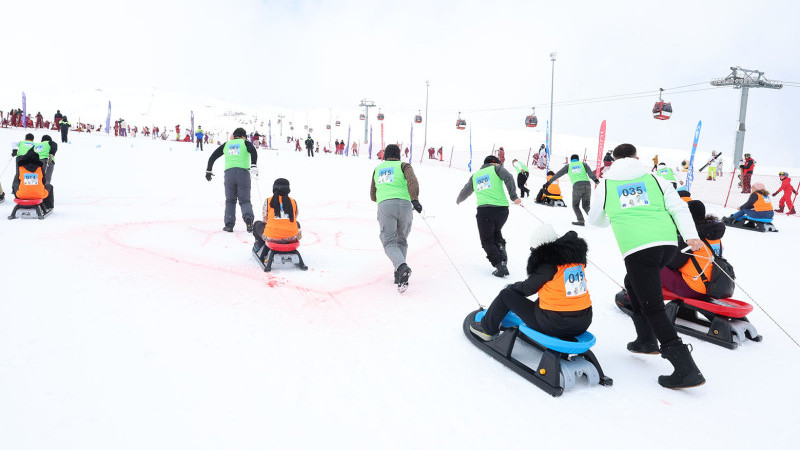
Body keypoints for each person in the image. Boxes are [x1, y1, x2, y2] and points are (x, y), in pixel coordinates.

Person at [588, 143, 705, 389]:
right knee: (633, 284)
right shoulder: (654, 178)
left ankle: (686, 368)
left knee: (653, 307)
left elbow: (595, 220)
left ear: (614, 159)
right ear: (636, 157)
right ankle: (646, 340)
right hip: (667, 245)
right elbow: (678, 206)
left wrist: (616, 215)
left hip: (638, 249)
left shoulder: (607, 184)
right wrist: (691, 235)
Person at [469, 224, 593, 341]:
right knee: (550, 296)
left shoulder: (549, 263)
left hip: (555, 325)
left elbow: (526, 289)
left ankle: (486, 330)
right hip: (583, 321)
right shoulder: (575, 260)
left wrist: (511, 287)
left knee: (505, 295)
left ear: (542, 248)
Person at [456, 155, 521, 277]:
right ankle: (500, 246)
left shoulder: (476, 175)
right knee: (496, 231)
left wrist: (459, 199)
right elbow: (509, 177)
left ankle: (499, 265)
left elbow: (466, 190)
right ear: (494, 163)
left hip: (485, 211)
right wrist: (514, 196)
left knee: (487, 240)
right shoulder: (496, 169)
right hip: (502, 211)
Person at [369, 144, 422, 289]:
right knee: (402, 240)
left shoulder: (378, 169)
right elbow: (412, 181)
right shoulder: (404, 166)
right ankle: (399, 273)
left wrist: (385, 194)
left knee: (389, 242)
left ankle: (402, 267)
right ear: (399, 155)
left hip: (386, 206)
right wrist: (415, 199)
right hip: (405, 206)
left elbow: (373, 195)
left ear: (385, 155)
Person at [661, 200, 726, 301]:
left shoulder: (692, 237)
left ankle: (633, 297)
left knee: (650, 265)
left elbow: (674, 264)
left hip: (693, 288)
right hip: (712, 287)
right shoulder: (713, 235)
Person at [205, 127, 259, 232]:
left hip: (229, 174)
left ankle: (229, 225)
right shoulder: (245, 143)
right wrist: (253, 165)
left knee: (230, 200)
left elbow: (213, 156)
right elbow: (253, 151)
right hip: (243, 173)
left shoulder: (227, 144)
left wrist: (209, 170)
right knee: (245, 200)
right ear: (243, 136)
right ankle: (248, 220)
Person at [544, 154, 599, 226]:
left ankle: (581, 221)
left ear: (571, 160)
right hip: (588, 185)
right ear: (578, 159)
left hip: (577, 186)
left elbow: (558, 174)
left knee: (575, 205)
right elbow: (590, 173)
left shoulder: (568, 166)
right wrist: (596, 181)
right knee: (586, 206)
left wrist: (549, 182)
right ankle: (595, 220)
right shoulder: (583, 164)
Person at [252, 178, 302, 253]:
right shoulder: (293, 202)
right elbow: (295, 217)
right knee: (297, 223)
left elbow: (265, 220)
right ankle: (286, 238)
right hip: (293, 237)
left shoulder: (268, 200)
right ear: (288, 189)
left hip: (271, 237)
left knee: (257, 224)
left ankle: (260, 244)